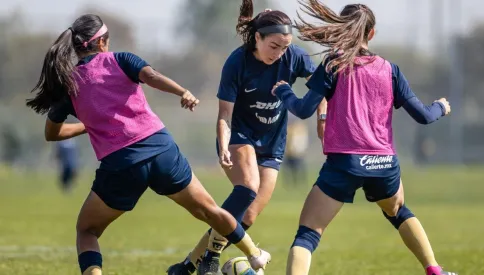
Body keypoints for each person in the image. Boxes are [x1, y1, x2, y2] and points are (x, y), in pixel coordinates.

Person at [26, 14, 270, 275]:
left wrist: (88, 126)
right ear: (103, 42)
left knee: (87, 231)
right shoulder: (121, 59)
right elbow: (151, 76)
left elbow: (52, 133)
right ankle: (254, 255)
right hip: (161, 150)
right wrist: (181, 92)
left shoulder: (69, 84)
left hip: (121, 165)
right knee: (209, 210)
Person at [270, 2, 457, 275]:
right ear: (372, 34)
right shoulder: (390, 70)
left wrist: (284, 91)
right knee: (398, 212)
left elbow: (302, 109)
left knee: (308, 233)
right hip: (384, 164)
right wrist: (441, 106)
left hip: (344, 165)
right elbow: (425, 117)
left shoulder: (333, 64)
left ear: (340, 29)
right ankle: (435, 271)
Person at [167, 1, 321, 274]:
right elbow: (224, 115)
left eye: (285, 47)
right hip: (239, 134)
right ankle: (211, 259)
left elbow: (322, 84)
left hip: (273, 142)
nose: (280, 53)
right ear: (257, 38)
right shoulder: (237, 62)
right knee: (248, 188)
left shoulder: (293, 57)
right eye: (274, 46)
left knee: (247, 216)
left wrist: (323, 118)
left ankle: (189, 265)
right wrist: (224, 145)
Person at [283, 118, 309, 186]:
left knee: (299, 169)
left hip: (298, 154)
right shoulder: (291, 131)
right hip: (291, 154)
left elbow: (301, 143)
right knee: (289, 170)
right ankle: (290, 183)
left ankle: (300, 183)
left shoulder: (301, 132)